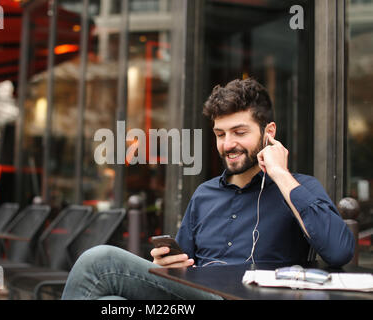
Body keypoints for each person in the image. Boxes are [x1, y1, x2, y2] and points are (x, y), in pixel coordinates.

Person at [61, 78, 355, 300]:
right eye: (220, 134)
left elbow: (339, 251)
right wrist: (166, 262)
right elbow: (181, 268)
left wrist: (279, 173)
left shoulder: (298, 187)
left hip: (249, 296)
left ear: (269, 133)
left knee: (98, 261)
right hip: (194, 296)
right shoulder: (204, 195)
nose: (228, 144)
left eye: (239, 132)